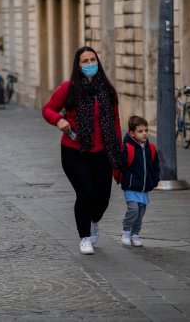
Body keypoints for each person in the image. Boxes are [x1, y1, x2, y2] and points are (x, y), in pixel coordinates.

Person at [42, 46, 122, 255]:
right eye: (85, 61)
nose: (89, 65)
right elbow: (47, 109)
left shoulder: (107, 90)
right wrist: (59, 120)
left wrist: (118, 152)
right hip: (74, 151)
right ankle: (84, 236)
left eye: (92, 60)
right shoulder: (68, 88)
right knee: (85, 191)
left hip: (102, 152)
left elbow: (115, 122)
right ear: (78, 65)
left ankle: (94, 220)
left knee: (103, 197)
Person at [120, 116, 160, 247]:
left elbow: (155, 166)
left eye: (146, 130)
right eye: (140, 131)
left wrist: (154, 180)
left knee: (141, 213)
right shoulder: (126, 147)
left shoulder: (151, 148)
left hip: (144, 188)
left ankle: (135, 234)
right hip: (131, 186)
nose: (144, 133)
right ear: (132, 133)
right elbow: (120, 164)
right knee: (133, 209)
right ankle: (126, 232)